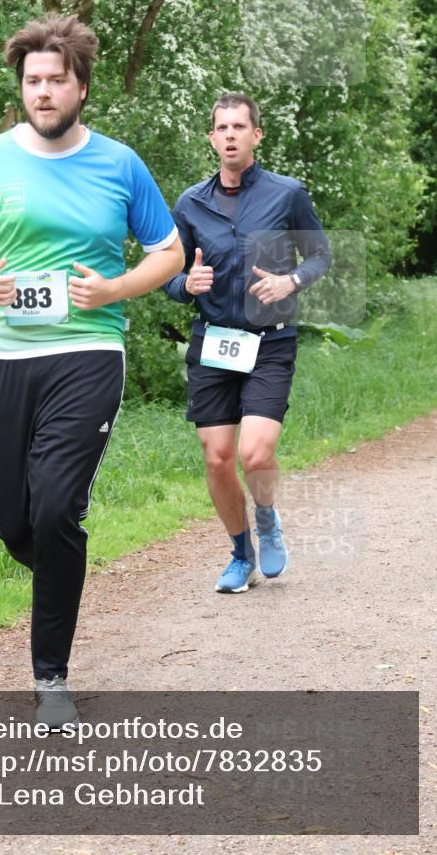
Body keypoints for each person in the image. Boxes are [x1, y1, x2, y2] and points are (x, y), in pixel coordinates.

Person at [0, 13, 184, 726]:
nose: (42, 93)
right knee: (16, 523)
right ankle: (57, 559)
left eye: (55, 81)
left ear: (80, 88)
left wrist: (113, 288)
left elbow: (167, 252)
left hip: (86, 350)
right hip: (2, 354)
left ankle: (51, 680)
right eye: (32, 81)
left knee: (54, 510)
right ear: (21, 87)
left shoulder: (118, 163)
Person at [163, 93, 331, 593]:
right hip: (214, 343)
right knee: (217, 458)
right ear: (212, 138)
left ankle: (266, 517)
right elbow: (171, 272)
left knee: (255, 455)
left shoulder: (287, 194)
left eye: (240, 126)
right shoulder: (191, 203)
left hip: (270, 342)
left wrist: (290, 282)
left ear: (257, 135)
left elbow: (320, 256)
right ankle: (240, 554)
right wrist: (183, 286)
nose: (231, 135)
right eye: (223, 127)